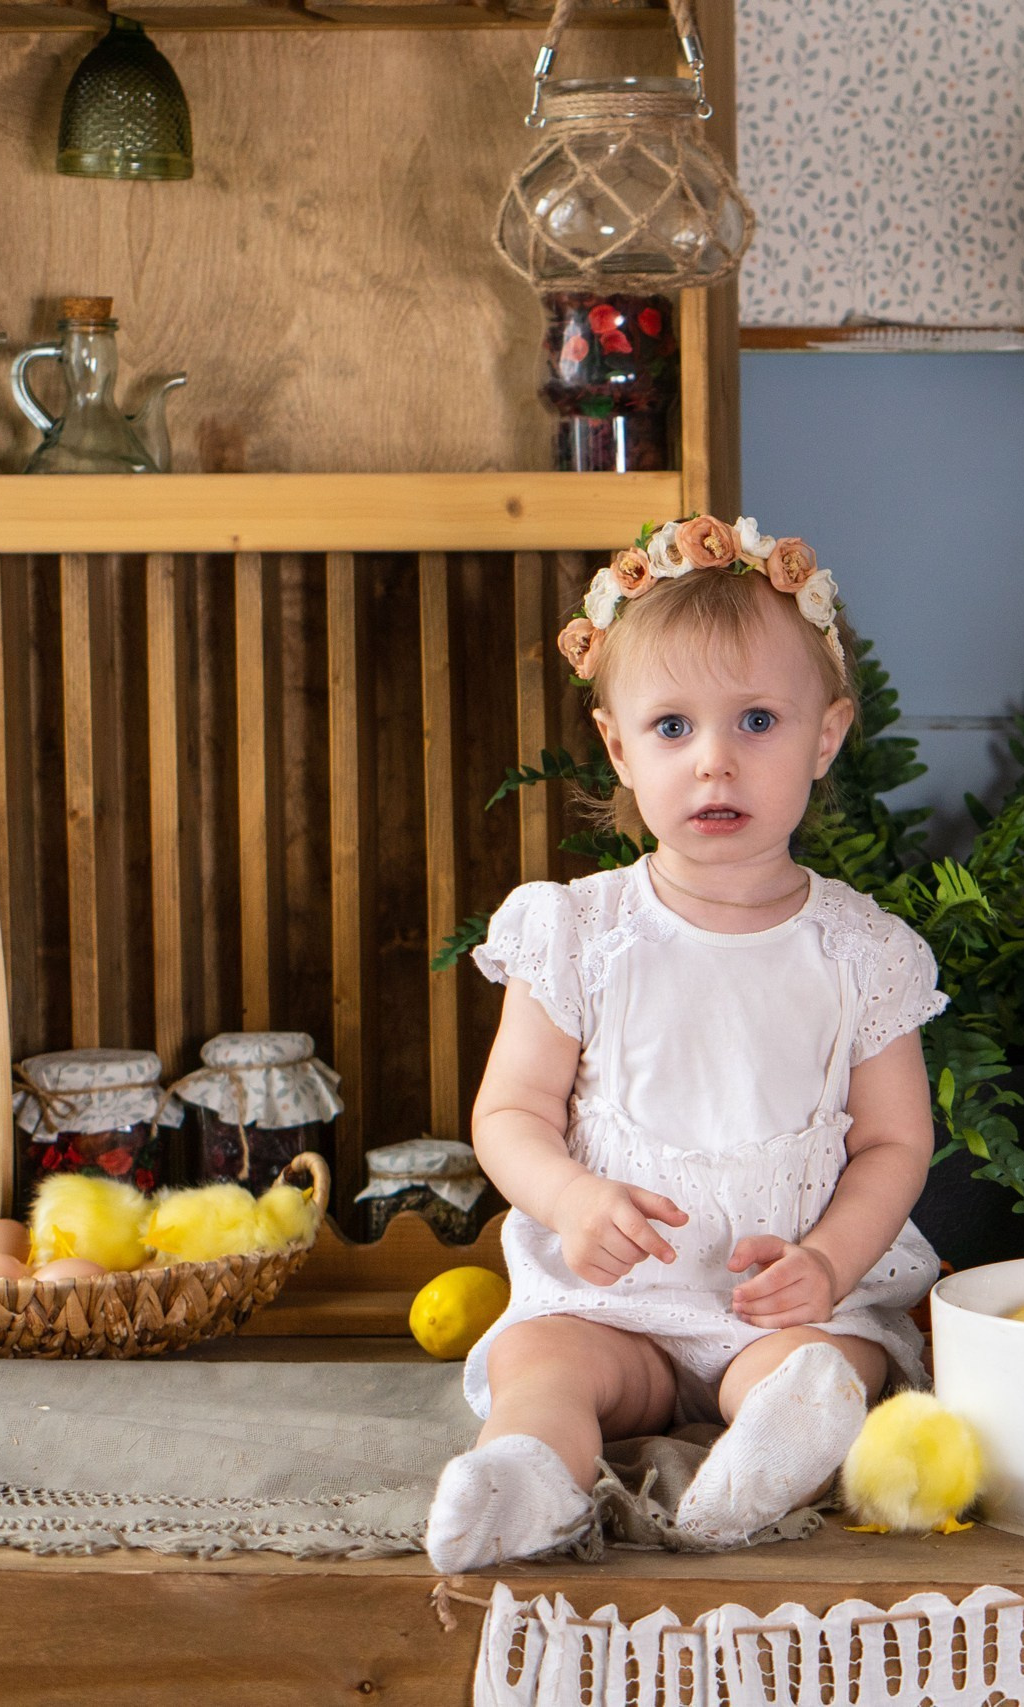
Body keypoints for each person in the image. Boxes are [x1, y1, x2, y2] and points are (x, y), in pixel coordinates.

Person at [424, 519, 944, 1571]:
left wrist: (827, 1262)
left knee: (826, 1366)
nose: (714, 760)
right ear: (616, 743)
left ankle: (771, 1454)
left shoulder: (860, 951)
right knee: (544, 1362)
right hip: (613, 1302)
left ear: (826, 736)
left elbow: (896, 1143)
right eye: (672, 727)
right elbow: (509, 1113)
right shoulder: (579, 933)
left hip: (787, 1300)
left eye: (757, 720)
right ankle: (527, 1473)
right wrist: (572, 1201)